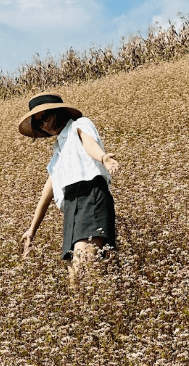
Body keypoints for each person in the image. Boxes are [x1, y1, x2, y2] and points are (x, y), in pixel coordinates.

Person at [18, 92, 120, 285]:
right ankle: (87, 310)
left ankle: (99, 308)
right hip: (71, 207)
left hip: (91, 195)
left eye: (46, 117)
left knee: (86, 265)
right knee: (74, 276)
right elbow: (46, 195)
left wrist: (103, 157)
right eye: (39, 123)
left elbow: (88, 142)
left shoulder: (78, 125)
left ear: (58, 112)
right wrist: (31, 230)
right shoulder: (58, 153)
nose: (44, 125)